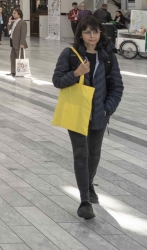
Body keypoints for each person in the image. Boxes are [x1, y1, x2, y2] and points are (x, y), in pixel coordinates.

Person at [53, 15, 123, 220]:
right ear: (80, 34)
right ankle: (84, 201)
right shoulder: (70, 55)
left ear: (100, 33)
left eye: (95, 31)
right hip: (77, 111)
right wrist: (76, 73)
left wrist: (106, 109)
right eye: (87, 31)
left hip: (99, 113)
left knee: (94, 153)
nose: (92, 35)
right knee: (80, 153)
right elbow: (57, 80)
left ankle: (88, 183)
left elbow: (117, 87)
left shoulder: (109, 57)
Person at [7, 8, 28, 77]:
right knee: (12, 57)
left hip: (19, 43)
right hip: (13, 43)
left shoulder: (23, 22)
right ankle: (13, 71)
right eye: (13, 13)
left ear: (19, 15)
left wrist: (22, 43)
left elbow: (23, 34)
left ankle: (21, 72)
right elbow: (9, 31)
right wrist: (9, 23)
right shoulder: (14, 22)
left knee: (20, 57)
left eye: (14, 13)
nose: (13, 14)